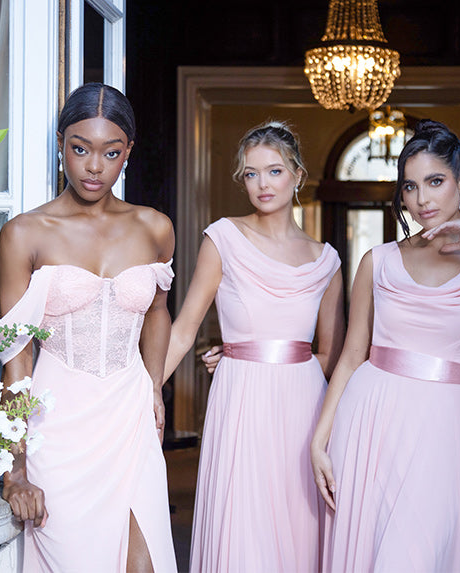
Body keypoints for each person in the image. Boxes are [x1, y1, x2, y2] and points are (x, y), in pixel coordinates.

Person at [311, 120, 460, 572]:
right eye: (411, 187)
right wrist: (320, 439)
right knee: (372, 550)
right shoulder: (378, 260)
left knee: (418, 552)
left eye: (435, 182)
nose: (422, 199)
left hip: (445, 427)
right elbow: (353, 356)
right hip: (370, 419)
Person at [0, 83, 178, 572]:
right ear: (61, 144)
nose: (94, 166)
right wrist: (17, 467)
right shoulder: (25, 233)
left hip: (131, 412)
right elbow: (18, 352)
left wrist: (154, 387)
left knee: (146, 563)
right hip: (58, 425)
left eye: (110, 152)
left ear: (127, 154)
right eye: (80, 149)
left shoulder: (154, 227)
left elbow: (157, 311)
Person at [163, 121, 344, 572]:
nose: (262, 184)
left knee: (299, 525)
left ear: (298, 175)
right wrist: (143, 390)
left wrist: (269, 354)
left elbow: (332, 358)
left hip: (303, 406)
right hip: (241, 398)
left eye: (274, 171)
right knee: (243, 526)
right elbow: (184, 328)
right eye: (250, 173)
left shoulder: (327, 261)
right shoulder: (222, 238)